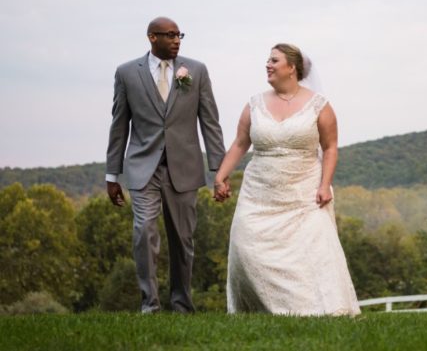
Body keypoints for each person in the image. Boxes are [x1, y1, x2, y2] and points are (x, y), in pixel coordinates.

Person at [214, 43, 360, 316]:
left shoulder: (319, 105)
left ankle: (316, 309)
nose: (267, 65)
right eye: (267, 61)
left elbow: (330, 147)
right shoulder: (254, 104)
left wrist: (324, 184)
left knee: (311, 253)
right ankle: (256, 311)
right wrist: (220, 177)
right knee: (246, 247)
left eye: (274, 60)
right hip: (258, 192)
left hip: (304, 191)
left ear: (292, 68)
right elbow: (239, 143)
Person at [106, 17, 226, 314]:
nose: (176, 40)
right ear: (151, 37)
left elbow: (210, 122)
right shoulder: (126, 73)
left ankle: (182, 303)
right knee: (144, 229)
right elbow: (119, 125)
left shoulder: (195, 71)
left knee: (182, 239)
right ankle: (150, 305)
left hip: (184, 167)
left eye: (179, 35)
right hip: (142, 167)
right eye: (169, 35)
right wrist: (112, 174)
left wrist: (219, 171)